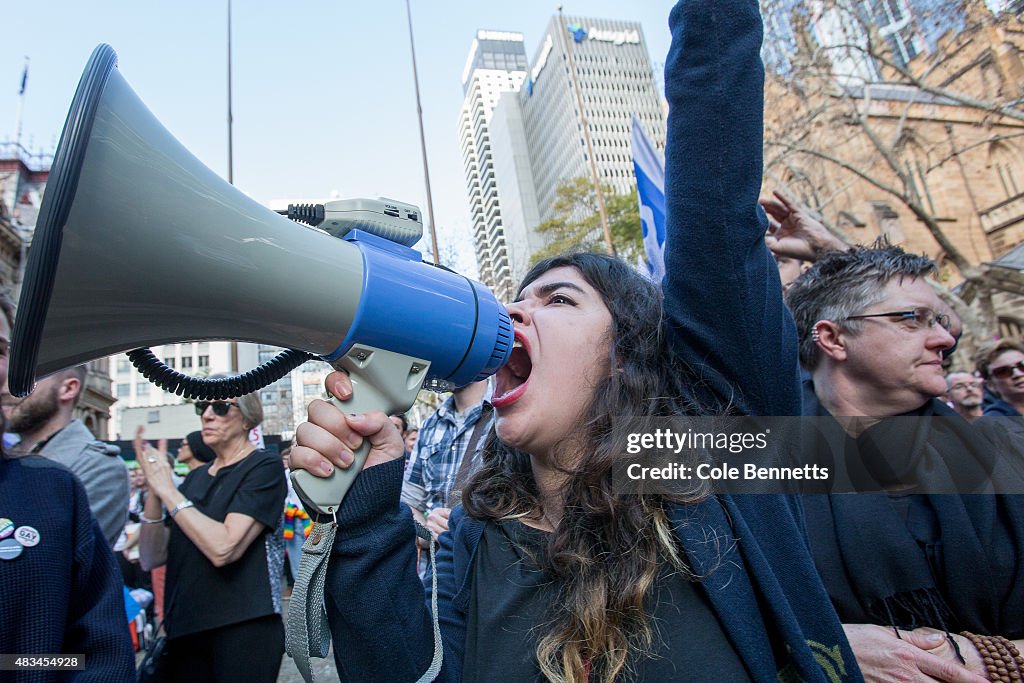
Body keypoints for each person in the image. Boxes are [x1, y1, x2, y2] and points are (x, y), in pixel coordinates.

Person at [288, 1, 859, 680]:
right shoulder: (474, 537)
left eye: (558, 299)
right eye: (515, 299)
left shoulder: (715, 468)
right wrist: (367, 506)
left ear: (627, 349)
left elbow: (710, 196)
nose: (513, 314)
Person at [787, 242, 1024, 679]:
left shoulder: (1009, 447)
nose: (945, 339)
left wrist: (993, 658)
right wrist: (822, 650)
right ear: (834, 338)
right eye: (911, 319)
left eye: (940, 320)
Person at [0, 291, 135, 679]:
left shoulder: (61, 485)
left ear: (68, 388)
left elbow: (83, 655)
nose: (15, 381)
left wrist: (18, 664)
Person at [137, 390, 287, 683]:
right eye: (202, 406)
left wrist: (167, 489)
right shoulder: (195, 477)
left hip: (242, 627)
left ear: (247, 418)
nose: (207, 414)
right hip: (186, 627)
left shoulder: (263, 466)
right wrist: (155, 492)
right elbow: (151, 556)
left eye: (220, 407)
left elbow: (224, 547)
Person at [2, 364, 129, 547]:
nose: (5, 389)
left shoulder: (100, 467)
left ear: (68, 388)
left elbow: (49, 554)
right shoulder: (10, 455)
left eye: (23, 378)